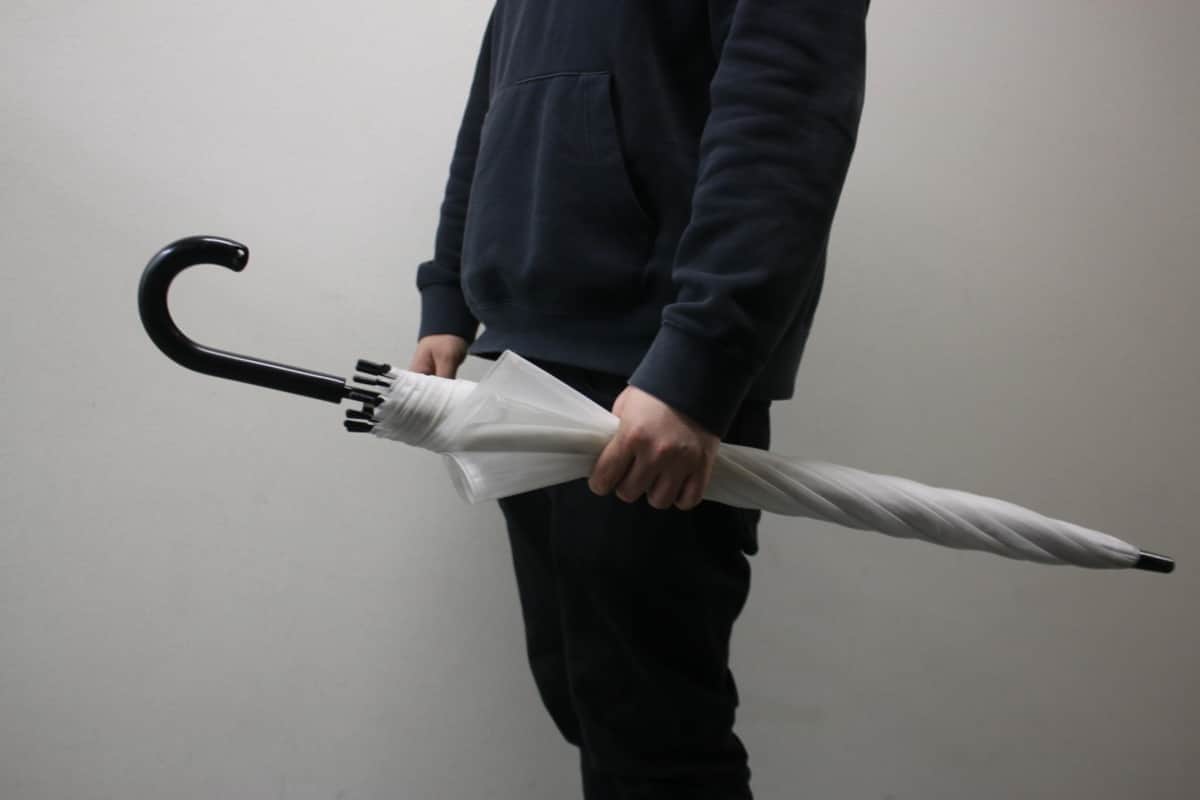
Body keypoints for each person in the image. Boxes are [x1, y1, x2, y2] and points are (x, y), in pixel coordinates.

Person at [409, 2, 870, 797]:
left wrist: (697, 366)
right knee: (585, 700)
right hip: (527, 365)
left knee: (655, 739)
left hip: (649, 380)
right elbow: (493, 111)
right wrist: (448, 294)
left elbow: (786, 116)